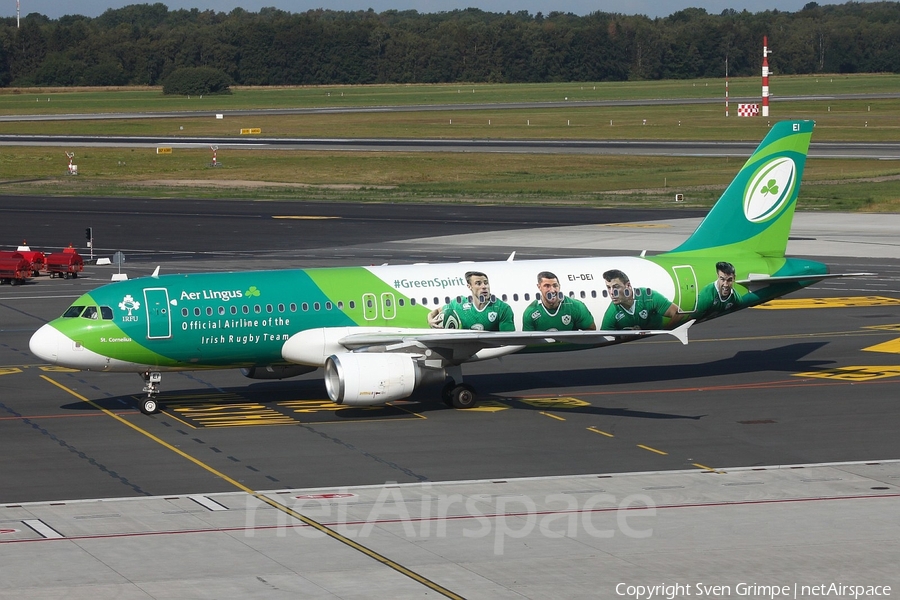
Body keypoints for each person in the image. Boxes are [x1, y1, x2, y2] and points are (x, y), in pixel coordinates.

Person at [427, 271, 514, 331]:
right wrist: (430, 320)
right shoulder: (459, 305)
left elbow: (508, 341)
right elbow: (436, 311)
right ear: (469, 286)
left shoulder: (502, 308)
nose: (484, 286)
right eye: (478, 283)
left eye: (486, 283)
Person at [600, 269, 680, 330]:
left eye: (616, 287)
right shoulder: (612, 312)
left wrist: (663, 333)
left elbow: (678, 313)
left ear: (628, 286)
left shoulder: (648, 297)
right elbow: (604, 336)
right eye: (608, 287)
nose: (611, 293)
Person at [521, 271, 596, 331]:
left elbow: (591, 331)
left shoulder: (575, 306)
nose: (552, 290)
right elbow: (529, 341)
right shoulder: (530, 312)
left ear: (559, 286)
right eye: (547, 286)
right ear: (539, 287)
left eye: (555, 285)